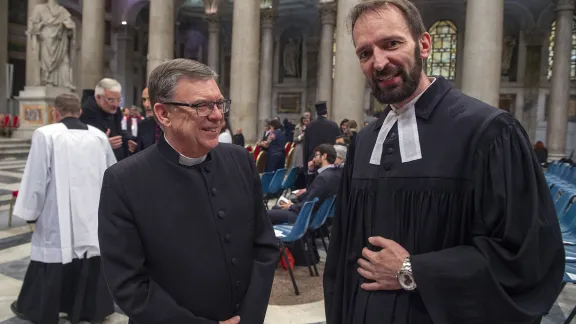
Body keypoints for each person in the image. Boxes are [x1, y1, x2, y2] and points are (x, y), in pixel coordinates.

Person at [323, 1, 564, 324]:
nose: (379, 62)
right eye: (365, 53)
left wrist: (414, 271)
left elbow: (527, 258)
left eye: (391, 44)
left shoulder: (489, 133)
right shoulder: (365, 142)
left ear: (424, 44)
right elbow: (342, 256)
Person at [98, 58, 279, 324]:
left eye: (219, 103)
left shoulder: (240, 160)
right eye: (201, 106)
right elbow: (129, 284)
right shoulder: (124, 181)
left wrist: (249, 318)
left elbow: (264, 247)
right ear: (163, 114)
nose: (217, 115)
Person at [11, 94, 116, 324]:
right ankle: (88, 309)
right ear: (79, 112)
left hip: (58, 216)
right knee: (90, 257)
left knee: (56, 254)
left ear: (55, 113)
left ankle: (46, 308)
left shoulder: (46, 134)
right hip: (91, 215)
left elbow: (36, 179)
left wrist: (31, 212)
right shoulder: (98, 136)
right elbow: (112, 174)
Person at [268, 144, 341, 225]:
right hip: (316, 215)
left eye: (316, 155)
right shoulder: (336, 173)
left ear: (324, 156)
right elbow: (312, 191)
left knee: (266, 214)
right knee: (276, 208)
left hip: (304, 216)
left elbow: (310, 203)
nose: (314, 159)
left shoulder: (323, 177)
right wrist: (311, 171)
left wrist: (291, 206)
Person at [80, 78, 135, 160]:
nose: (116, 105)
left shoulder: (116, 112)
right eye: (110, 100)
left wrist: (127, 141)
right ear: (98, 97)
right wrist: (104, 144)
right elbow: (80, 145)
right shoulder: (85, 114)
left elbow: (119, 132)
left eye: (118, 100)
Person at [303, 101, 340, 171]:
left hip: (313, 161)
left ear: (317, 113)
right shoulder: (333, 125)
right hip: (329, 161)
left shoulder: (310, 126)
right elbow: (338, 144)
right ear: (326, 112)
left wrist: (305, 167)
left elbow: (306, 147)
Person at [137, 87, 162, 151]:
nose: (146, 104)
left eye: (150, 99)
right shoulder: (142, 125)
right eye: (144, 100)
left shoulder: (175, 124)